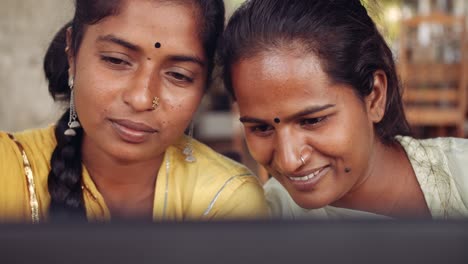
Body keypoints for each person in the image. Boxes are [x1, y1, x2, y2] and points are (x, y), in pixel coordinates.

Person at [0, 0, 268, 223]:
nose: (141, 99)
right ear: (72, 53)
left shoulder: (225, 200)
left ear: (204, 87)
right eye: (116, 60)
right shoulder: (9, 169)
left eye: (178, 75)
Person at [220, 0, 468, 219]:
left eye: (312, 120)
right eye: (261, 128)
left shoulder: (461, 173)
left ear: (375, 97)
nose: (289, 160)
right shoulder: (262, 222)